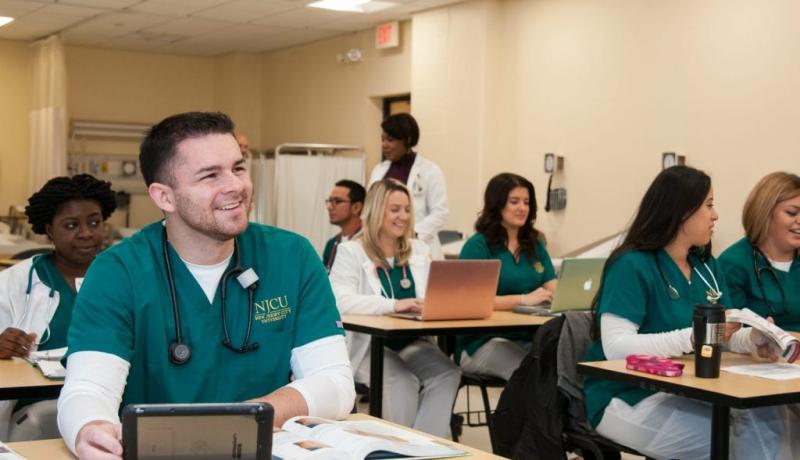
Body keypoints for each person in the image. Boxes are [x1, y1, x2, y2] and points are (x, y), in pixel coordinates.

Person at [57, 112, 355, 459]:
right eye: (210, 175)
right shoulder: (117, 271)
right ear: (164, 197)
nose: (236, 185)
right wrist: (90, 428)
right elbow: (87, 388)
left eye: (238, 168)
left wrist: (250, 416)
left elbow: (335, 382)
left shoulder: (292, 256)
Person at [583, 165, 787, 459]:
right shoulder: (632, 265)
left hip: (691, 389)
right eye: (709, 206)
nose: (715, 215)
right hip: (628, 396)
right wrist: (693, 338)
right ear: (681, 212)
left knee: (777, 428)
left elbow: (720, 336)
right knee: (743, 444)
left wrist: (751, 340)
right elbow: (617, 348)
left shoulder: (706, 266)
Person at [328, 179, 460, 438]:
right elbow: (339, 300)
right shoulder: (351, 252)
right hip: (369, 347)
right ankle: (399, 449)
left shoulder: (418, 250)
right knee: (401, 382)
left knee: (447, 373)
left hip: (411, 341)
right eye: (395, 209)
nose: (403, 216)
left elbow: (436, 292)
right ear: (377, 211)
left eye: (407, 209)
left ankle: (423, 449)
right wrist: (394, 305)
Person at [0, 174, 117, 441]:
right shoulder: (14, 282)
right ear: (49, 230)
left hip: (109, 406)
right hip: (35, 412)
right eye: (71, 225)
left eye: (95, 222)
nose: (86, 233)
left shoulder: (123, 278)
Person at [457, 173, 557, 380]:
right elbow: (471, 302)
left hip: (527, 338)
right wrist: (523, 300)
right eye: (514, 202)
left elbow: (553, 289)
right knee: (531, 374)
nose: (522, 208)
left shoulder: (535, 245)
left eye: (527, 202)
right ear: (497, 205)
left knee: (560, 366)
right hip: (481, 343)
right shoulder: (478, 246)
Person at [720, 172, 800, 331]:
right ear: (765, 213)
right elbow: (730, 334)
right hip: (758, 354)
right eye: (792, 213)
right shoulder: (734, 264)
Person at [368, 113, 449, 259]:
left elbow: (440, 212)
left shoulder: (430, 171)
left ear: (408, 140)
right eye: (382, 139)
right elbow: (370, 208)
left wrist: (411, 233)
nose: (384, 145)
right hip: (383, 247)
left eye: (390, 140)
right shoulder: (378, 171)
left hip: (418, 244)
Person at [323, 179, 365, 272]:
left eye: (337, 201)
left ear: (356, 207)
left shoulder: (368, 243)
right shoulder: (331, 244)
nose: (329, 207)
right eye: (330, 201)